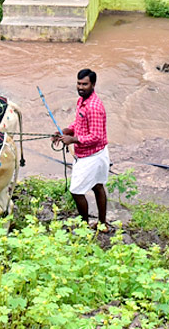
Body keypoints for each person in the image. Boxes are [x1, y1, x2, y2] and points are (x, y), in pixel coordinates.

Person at [53, 69, 110, 231]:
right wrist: (66, 131)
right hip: (92, 154)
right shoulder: (82, 101)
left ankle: (84, 225)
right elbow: (78, 124)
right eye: (79, 83)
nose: (80, 87)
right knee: (98, 186)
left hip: (92, 156)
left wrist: (74, 139)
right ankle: (102, 223)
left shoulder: (94, 107)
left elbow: (96, 136)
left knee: (76, 191)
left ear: (93, 85)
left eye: (85, 84)